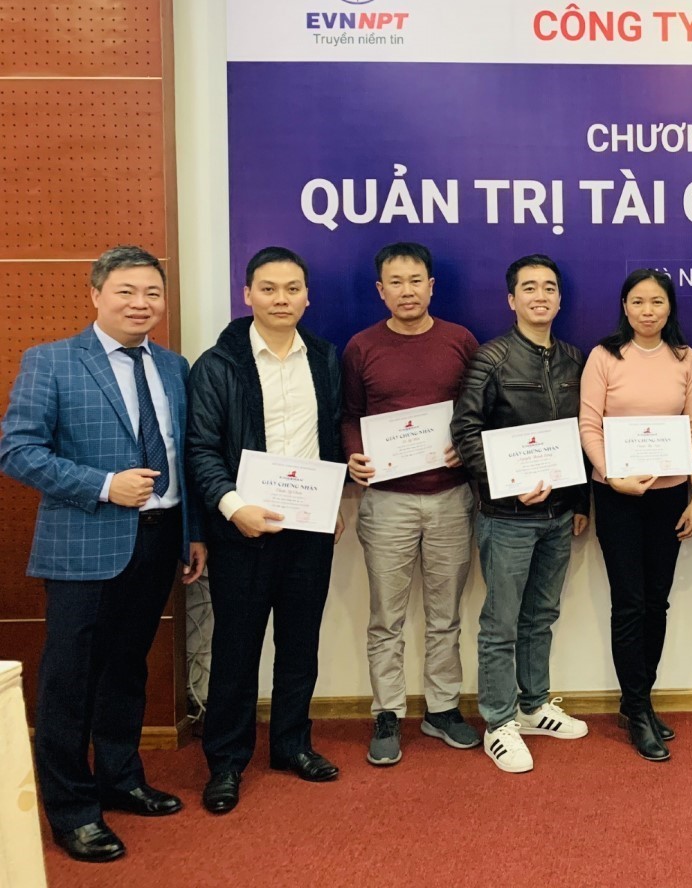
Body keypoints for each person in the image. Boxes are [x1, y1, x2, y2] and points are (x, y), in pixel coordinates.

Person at [0, 246, 204, 863]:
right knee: (69, 678)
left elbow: (184, 455)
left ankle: (121, 778)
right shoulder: (52, 361)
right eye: (126, 291)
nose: (141, 304)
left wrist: (192, 532)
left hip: (159, 537)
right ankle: (71, 809)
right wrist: (103, 485)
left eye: (152, 293)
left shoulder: (173, 366)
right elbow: (17, 451)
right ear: (95, 294)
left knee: (126, 667)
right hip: (83, 543)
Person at [187, 246, 344, 815]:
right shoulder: (218, 364)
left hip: (309, 527)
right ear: (247, 294)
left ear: (307, 297)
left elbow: (331, 432)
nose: (282, 299)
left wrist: (334, 497)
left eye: (292, 288)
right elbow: (200, 448)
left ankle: (291, 745)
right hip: (242, 530)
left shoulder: (324, 357)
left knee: (300, 644)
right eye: (269, 289)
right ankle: (226, 762)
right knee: (236, 647)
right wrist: (233, 507)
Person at [451, 255, 591, 774]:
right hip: (506, 515)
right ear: (512, 299)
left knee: (541, 616)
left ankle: (533, 706)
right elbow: (465, 431)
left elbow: (584, 434)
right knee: (501, 623)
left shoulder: (575, 359)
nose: (540, 296)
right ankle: (498, 720)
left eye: (549, 287)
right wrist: (505, 485)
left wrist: (580, 502)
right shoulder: (490, 359)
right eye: (529, 288)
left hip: (559, 514)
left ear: (560, 299)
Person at [341, 242, 480, 767]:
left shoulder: (460, 341)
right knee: (386, 617)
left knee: (446, 614)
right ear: (381, 290)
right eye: (395, 282)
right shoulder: (361, 347)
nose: (407, 291)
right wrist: (353, 454)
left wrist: (464, 445)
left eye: (416, 280)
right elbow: (350, 414)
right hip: (386, 501)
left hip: (450, 496)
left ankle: (442, 709)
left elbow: (478, 410)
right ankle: (387, 712)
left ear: (431, 286)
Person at [578, 269, 692, 762]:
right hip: (617, 496)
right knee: (629, 603)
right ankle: (635, 708)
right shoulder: (604, 356)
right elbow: (589, 425)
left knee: (657, 603)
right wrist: (612, 475)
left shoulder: (685, 358)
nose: (647, 310)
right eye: (638, 301)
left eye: (657, 301)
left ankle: (640, 701)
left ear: (669, 307)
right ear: (624, 307)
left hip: (669, 496)